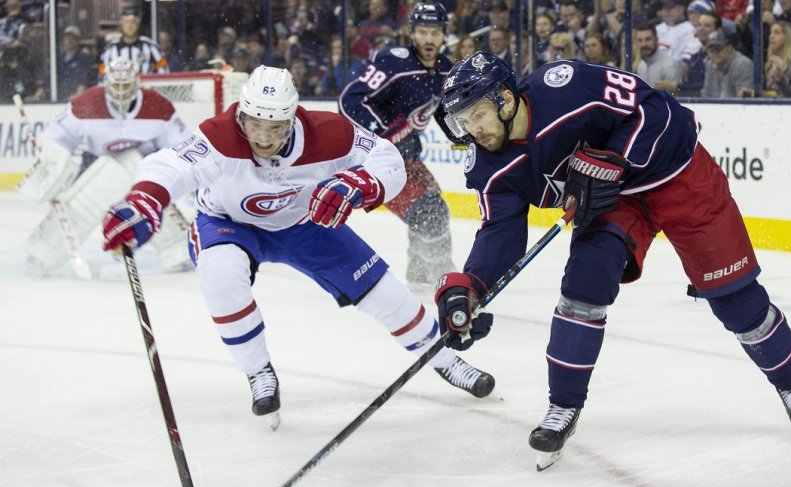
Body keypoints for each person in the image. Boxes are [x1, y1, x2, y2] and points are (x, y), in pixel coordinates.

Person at [436, 52, 791, 468]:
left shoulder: (567, 85)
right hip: (613, 201)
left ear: (506, 100)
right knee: (584, 284)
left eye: (477, 114)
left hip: (678, 174)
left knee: (734, 299)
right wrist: (470, 285)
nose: (472, 130)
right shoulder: (488, 165)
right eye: (463, 120)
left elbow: (654, 108)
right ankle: (563, 406)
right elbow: (500, 230)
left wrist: (614, 158)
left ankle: (790, 382)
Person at [99, 65, 495, 428]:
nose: (265, 138)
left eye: (276, 127)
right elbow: (171, 166)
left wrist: (361, 185)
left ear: (293, 118)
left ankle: (445, 359)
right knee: (220, 276)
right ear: (241, 115)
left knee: (385, 292)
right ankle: (258, 371)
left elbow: (386, 159)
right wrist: (144, 200)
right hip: (228, 223)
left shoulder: (328, 132)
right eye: (255, 126)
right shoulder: (218, 136)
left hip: (305, 223)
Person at [19, 58, 192, 276]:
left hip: (144, 166)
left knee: (153, 197)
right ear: (106, 84)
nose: (120, 91)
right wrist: (51, 162)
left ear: (136, 83)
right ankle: (42, 253)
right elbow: (57, 135)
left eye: (125, 85)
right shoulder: (87, 103)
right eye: (116, 86)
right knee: (81, 205)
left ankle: (177, 251)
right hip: (97, 162)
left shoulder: (158, 106)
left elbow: (180, 146)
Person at [339, 3, 462, 286]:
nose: (428, 39)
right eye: (422, 32)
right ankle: (442, 276)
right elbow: (350, 100)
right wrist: (382, 136)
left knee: (433, 208)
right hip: (376, 159)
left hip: (405, 156)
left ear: (445, 34)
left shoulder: (446, 69)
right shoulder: (392, 62)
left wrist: (465, 139)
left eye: (435, 32)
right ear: (411, 32)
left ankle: (422, 274)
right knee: (429, 211)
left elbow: (445, 111)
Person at [99, 7, 168, 75]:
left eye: (133, 22)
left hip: (144, 85)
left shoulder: (151, 47)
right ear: (121, 25)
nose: (130, 25)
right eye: (126, 22)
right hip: (118, 86)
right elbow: (102, 74)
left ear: (138, 24)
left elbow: (163, 71)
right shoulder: (110, 49)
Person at [701, 30, 756, 97]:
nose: (715, 53)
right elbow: (706, 94)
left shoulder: (743, 64)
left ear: (729, 48)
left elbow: (744, 99)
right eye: (712, 51)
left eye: (719, 49)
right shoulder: (709, 65)